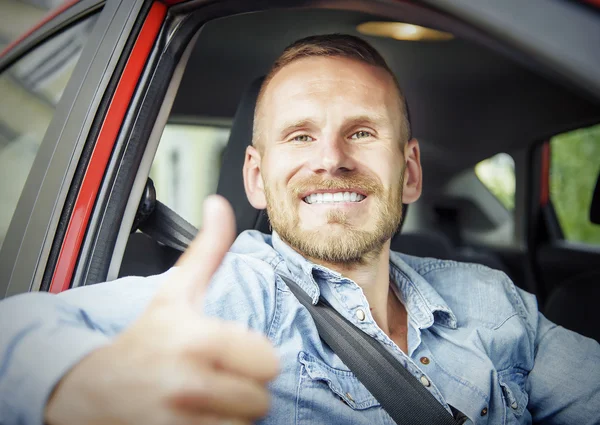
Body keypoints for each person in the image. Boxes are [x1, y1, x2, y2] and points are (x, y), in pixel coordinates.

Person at [1, 34, 599, 425]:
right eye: (300, 135)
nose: (332, 158)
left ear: (410, 171)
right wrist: (72, 387)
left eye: (361, 132)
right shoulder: (236, 297)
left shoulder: (495, 303)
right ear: (257, 179)